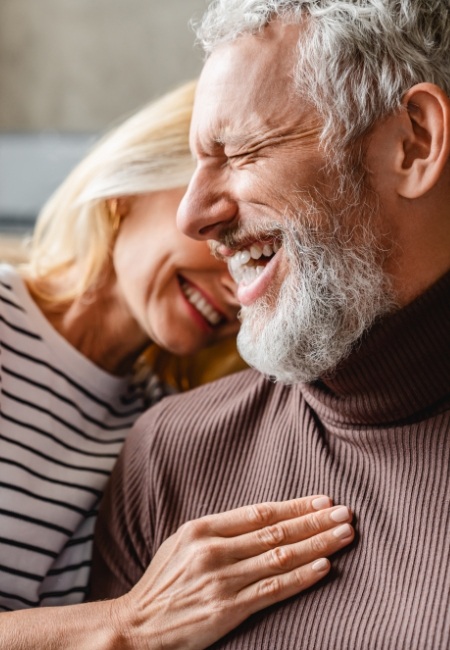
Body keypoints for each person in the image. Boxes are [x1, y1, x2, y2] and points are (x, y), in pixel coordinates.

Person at [91, 1, 450, 648]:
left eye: (242, 151)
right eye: (198, 161)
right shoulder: (171, 453)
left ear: (413, 143)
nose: (193, 215)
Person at [0, 78, 354, 646]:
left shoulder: (160, 427)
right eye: (216, 224)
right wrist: (126, 624)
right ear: (129, 188)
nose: (236, 275)